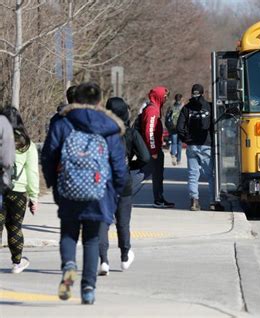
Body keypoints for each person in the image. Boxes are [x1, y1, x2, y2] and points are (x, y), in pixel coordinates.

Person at [41, 82, 127, 305]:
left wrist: (53, 184)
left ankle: (69, 266)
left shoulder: (63, 122)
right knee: (91, 239)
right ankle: (88, 287)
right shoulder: (109, 126)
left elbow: (49, 155)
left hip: (69, 188)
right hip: (100, 191)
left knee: (69, 233)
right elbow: (118, 164)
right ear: (99, 101)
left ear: (75, 100)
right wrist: (115, 191)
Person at [98, 97, 150, 276]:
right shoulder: (130, 133)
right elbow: (145, 157)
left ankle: (103, 260)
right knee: (123, 221)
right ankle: (125, 256)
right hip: (123, 181)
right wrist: (131, 166)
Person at [0, 106, 38, 274]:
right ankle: (17, 262)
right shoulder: (27, 145)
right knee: (15, 226)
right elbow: (32, 172)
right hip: (18, 191)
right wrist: (34, 196)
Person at [176, 84, 224, 212]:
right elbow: (216, 126)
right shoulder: (210, 106)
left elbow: (179, 127)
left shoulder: (186, 108)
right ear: (203, 93)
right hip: (207, 145)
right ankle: (213, 202)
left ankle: (194, 202)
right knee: (210, 176)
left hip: (192, 146)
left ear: (192, 93)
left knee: (193, 175)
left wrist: (186, 139)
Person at [140, 86, 175, 208]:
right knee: (148, 174)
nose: (166, 99)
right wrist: (154, 150)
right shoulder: (152, 111)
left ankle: (160, 198)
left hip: (154, 148)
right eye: (164, 96)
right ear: (158, 96)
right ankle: (158, 200)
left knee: (159, 176)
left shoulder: (155, 109)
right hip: (152, 150)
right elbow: (149, 131)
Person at [167, 94, 184, 166]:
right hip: (180, 127)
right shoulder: (183, 107)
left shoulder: (171, 107)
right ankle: (179, 159)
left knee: (174, 143)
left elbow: (167, 117)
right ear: (181, 99)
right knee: (179, 144)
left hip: (173, 127)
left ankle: (173, 154)